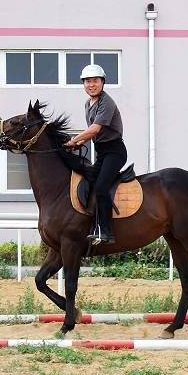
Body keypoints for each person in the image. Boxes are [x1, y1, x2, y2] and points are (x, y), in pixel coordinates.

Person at [64, 64, 127, 245]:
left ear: (102, 83)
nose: (91, 85)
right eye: (87, 81)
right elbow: (93, 133)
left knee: (100, 187)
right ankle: (93, 225)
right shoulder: (88, 103)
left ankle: (106, 232)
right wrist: (76, 144)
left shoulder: (106, 102)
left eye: (95, 81)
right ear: (83, 84)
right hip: (102, 153)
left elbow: (95, 129)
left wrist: (75, 140)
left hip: (115, 152)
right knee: (89, 182)